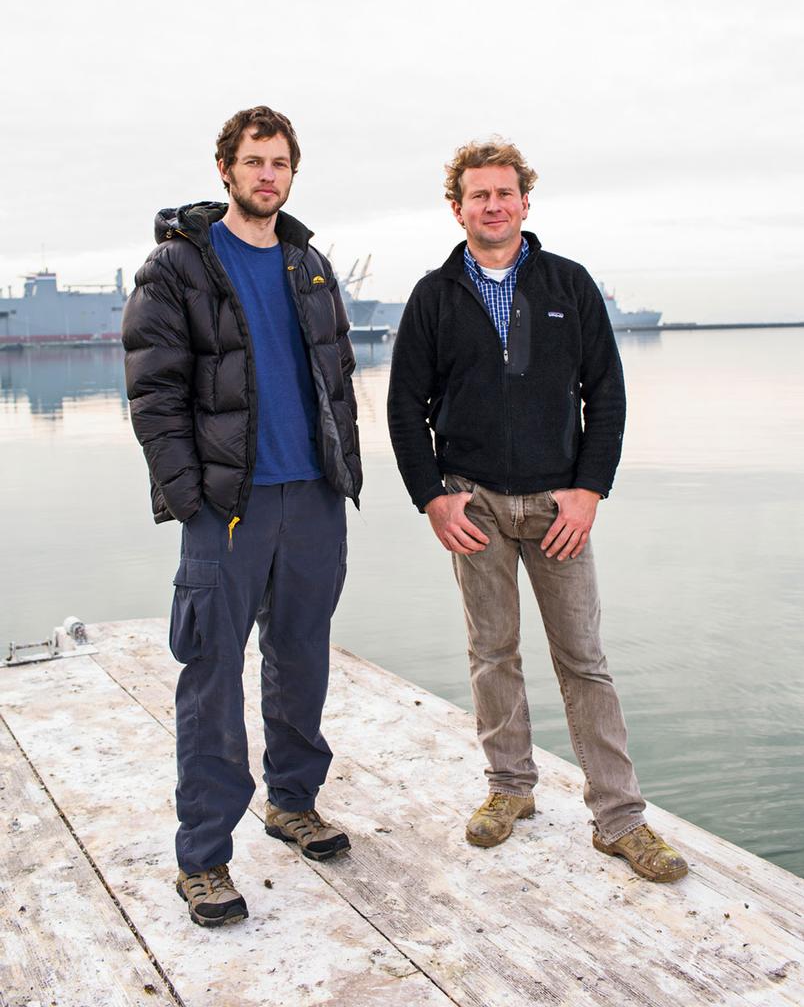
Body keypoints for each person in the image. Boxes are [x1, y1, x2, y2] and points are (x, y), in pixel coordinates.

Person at [387, 137, 687, 883]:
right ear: (456, 207)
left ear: (526, 200)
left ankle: (620, 819)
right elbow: (403, 409)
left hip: (559, 505)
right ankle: (509, 790)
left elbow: (607, 397)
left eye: (505, 192)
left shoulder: (569, 285)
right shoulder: (433, 296)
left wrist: (589, 491)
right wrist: (432, 497)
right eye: (477, 194)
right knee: (493, 654)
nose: (493, 205)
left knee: (584, 661)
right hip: (474, 503)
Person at [122, 106, 362, 927]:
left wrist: (342, 477)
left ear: (293, 173)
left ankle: (293, 803)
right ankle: (204, 859)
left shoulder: (312, 264)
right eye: (254, 161)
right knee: (212, 678)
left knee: (302, 660)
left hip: (313, 500)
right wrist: (190, 497)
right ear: (225, 168)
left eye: (281, 163)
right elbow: (153, 393)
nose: (268, 175)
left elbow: (338, 379)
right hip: (228, 510)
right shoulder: (177, 267)